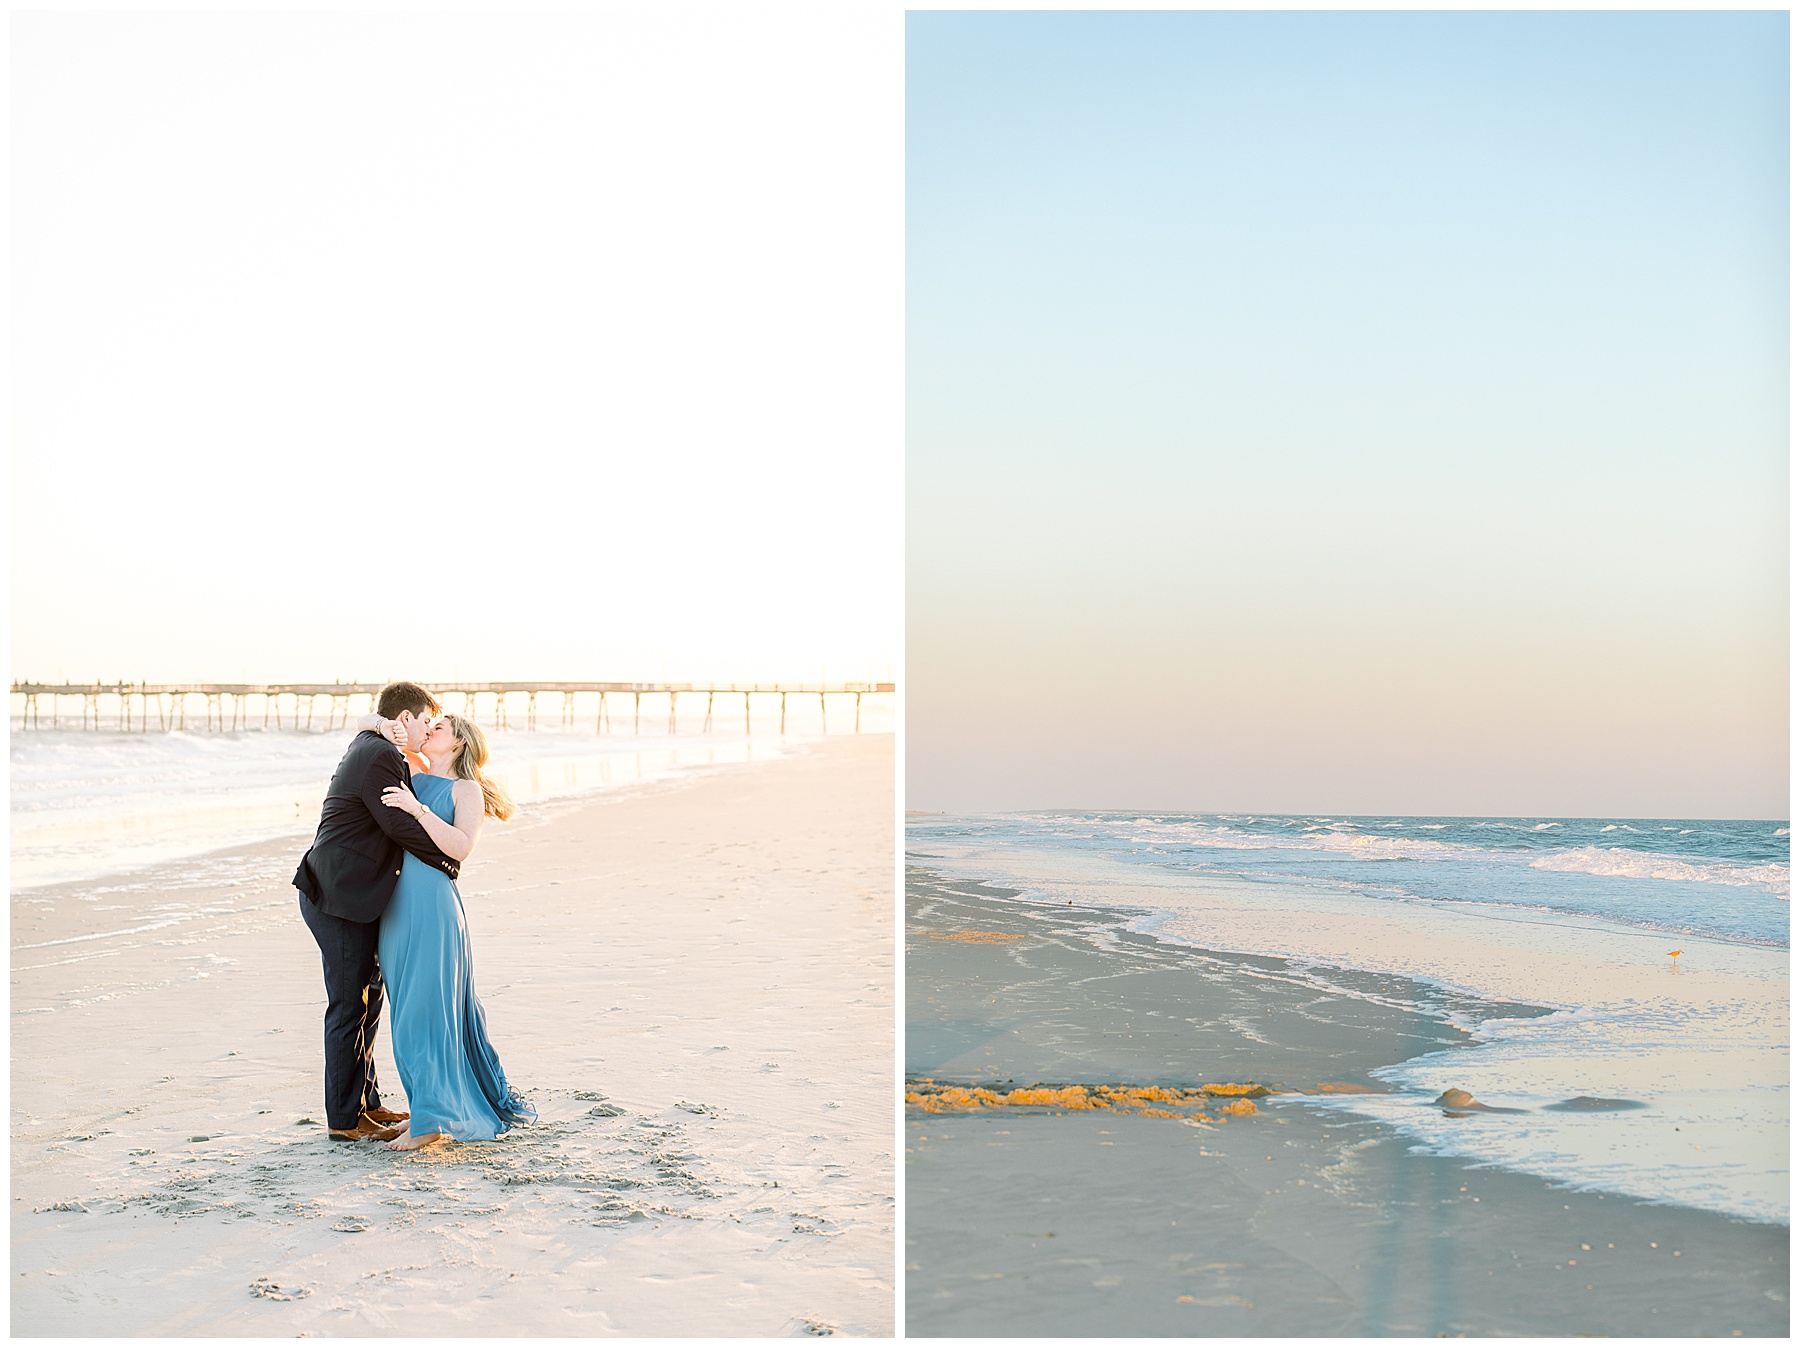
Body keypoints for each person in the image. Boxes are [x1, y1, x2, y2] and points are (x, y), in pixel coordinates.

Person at [359, 708, 534, 1150]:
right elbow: (361, 723)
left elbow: (460, 847)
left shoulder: (465, 789)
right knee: (405, 1011)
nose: (428, 730)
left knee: (428, 1011)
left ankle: (431, 1122)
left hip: (433, 905)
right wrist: (386, 726)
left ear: (457, 744)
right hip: (396, 904)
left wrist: (416, 809)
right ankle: (425, 1108)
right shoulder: (409, 770)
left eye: (438, 728)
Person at [293, 681, 460, 1142]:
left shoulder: (372, 743)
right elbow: (399, 825)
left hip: (351, 894)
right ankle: (345, 1121)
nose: (429, 729)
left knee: (368, 999)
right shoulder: (381, 755)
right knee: (349, 1006)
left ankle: (367, 1104)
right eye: (426, 720)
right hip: (337, 896)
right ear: (404, 720)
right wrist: (449, 862)